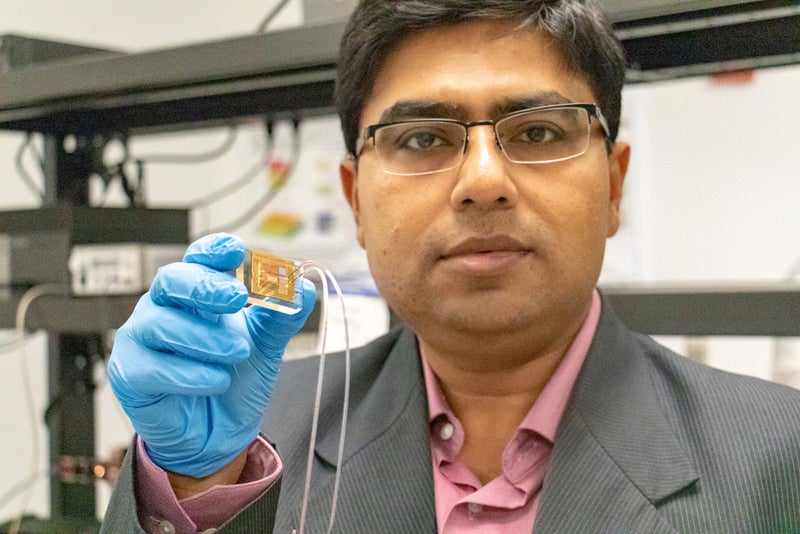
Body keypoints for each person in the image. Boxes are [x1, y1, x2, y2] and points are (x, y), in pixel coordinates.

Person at [101, 1, 800, 532]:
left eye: (538, 131)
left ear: (614, 186)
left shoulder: (778, 457)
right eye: (422, 139)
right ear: (356, 201)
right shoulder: (253, 447)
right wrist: (196, 489)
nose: (483, 181)